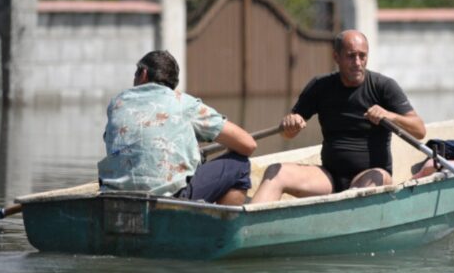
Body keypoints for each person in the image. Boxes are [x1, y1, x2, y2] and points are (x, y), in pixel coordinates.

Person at [250, 29, 426, 203]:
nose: (358, 62)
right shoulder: (320, 86)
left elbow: (419, 130)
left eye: (362, 56)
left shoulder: (383, 86)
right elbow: (287, 134)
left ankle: (346, 209)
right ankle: (247, 227)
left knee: (374, 178)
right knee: (275, 172)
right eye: (351, 56)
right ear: (336, 57)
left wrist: (389, 116)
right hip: (329, 178)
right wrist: (289, 123)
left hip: (371, 176)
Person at [98, 50, 257, 205]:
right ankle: (222, 228)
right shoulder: (183, 103)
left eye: (135, 74)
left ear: (144, 73)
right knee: (240, 165)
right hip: (170, 197)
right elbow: (248, 144)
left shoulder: (117, 103)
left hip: (113, 194)